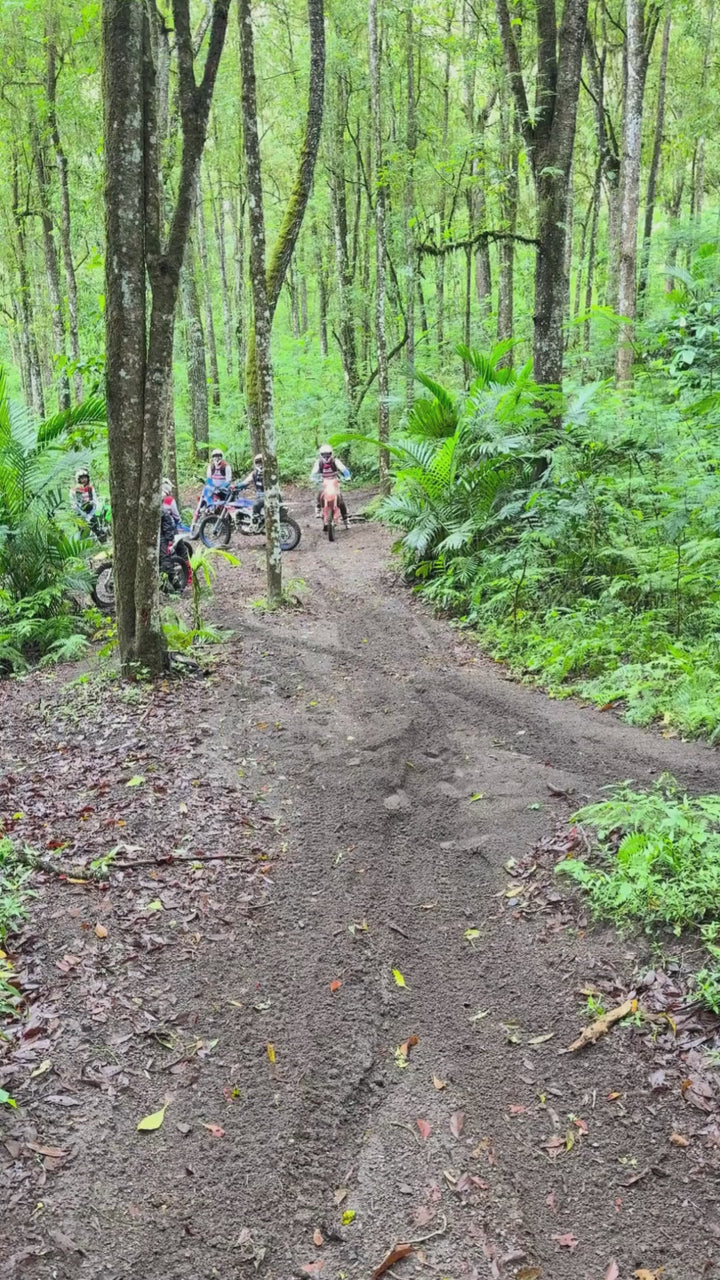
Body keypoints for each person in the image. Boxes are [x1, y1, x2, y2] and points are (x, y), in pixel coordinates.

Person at [311, 444, 350, 527]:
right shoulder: (319, 462)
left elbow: (343, 469)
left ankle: (346, 519)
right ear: (321, 455)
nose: (326, 457)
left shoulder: (335, 461)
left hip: (334, 481)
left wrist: (347, 476)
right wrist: (313, 478)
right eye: (324, 455)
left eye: (328, 454)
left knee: (340, 499)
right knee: (320, 493)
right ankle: (318, 507)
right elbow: (313, 472)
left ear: (331, 454)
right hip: (324, 481)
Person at [237, 453, 265, 524]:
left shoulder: (269, 472)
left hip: (268, 495)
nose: (260, 464)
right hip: (260, 496)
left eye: (261, 461)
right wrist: (237, 486)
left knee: (255, 506)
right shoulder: (254, 473)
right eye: (258, 462)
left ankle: (257, 524)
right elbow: (246, 481)